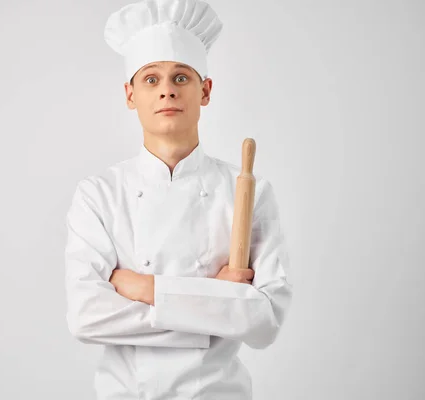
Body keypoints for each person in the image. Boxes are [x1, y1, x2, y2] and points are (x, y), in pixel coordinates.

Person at [64, 0, 294, 398]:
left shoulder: (248, 192)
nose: (167, 89)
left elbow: (264, 322)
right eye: (150, 79)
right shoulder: (98, 194)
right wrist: (217, 300)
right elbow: (86, 317)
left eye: (181, 77)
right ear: (129, 94)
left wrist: (144, 288)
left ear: (205, 91)